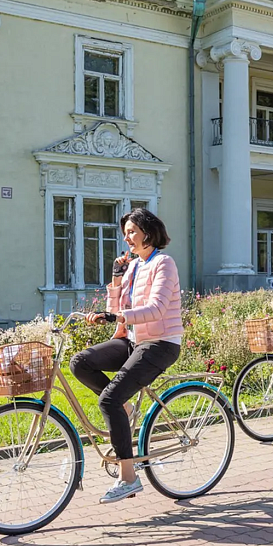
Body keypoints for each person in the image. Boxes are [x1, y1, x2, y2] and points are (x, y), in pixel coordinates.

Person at [70, 208, 183, 504]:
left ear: (148, 232)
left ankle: (129, 478)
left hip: (160, 343)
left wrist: (118, 316)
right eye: (125, 233)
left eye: (132, 231)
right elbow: (117, 308)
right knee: (80, 362)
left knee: (108, 399)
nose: (127, 238)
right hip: (132, 340)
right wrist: (116, 279)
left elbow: (157, 309)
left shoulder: (163, 263)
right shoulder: (133, 267)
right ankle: (127, 407)